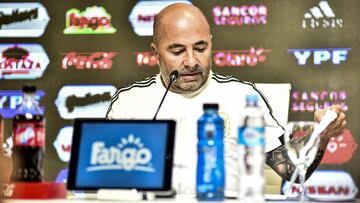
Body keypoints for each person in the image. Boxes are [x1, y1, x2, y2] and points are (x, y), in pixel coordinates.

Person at [106, 3, 346, 195]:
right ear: (155, 52)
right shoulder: (129, 102)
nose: (191, 61)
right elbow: (105, 178)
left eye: (201, 48)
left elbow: (292, 169)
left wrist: (321, 136)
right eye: (177, 51)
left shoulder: (244, 97)